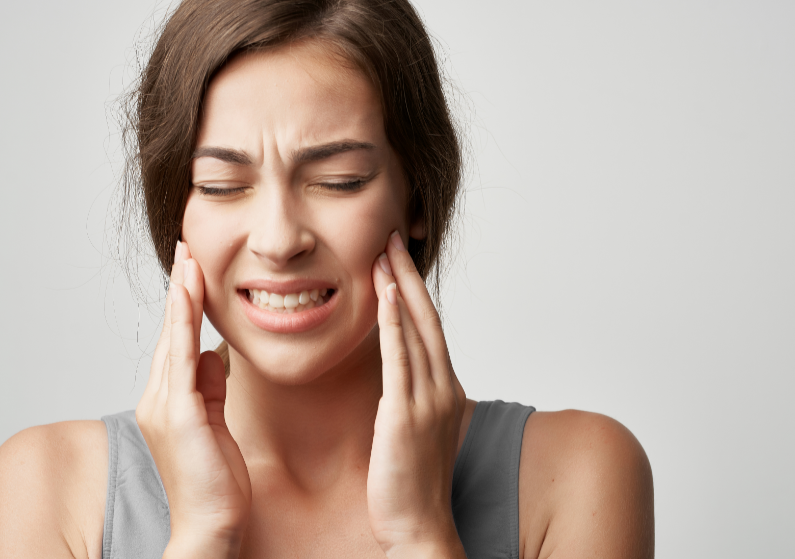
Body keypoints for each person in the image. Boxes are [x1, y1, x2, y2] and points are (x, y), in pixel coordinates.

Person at [0, 0, 654, 557]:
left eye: (338, 181)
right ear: (177, 213)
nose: (279, 240)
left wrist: (423, 536)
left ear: (418, 198)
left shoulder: (575, 474)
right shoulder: (52, 485)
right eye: (224, 185)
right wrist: (199, 534)